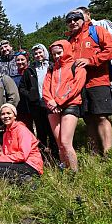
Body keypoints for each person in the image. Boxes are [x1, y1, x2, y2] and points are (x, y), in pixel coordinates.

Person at [66, 9, 112, 155]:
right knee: (88, 118)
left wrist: (90, 61)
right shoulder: (70, 41)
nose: (73, 22)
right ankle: (94, 152)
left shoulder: (96, 31)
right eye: (69, 21)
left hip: (98, 81)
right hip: (79, 85)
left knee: (101, 116)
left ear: (83, 19)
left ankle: (108, 153)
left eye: (76, 19)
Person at [42, 40, 87, 171]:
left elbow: (76, 87)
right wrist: (50, 101)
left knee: (67, 142)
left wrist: (59, 101)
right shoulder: (52, 69)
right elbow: (45, 88)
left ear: (66, 50)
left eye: (59, 53)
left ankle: (74, 172)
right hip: (53, 107)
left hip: (70, 105)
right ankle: (64, 170)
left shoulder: (77, 66)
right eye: (54, 54)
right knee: (60, 144)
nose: (56, 57)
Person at [77, 6, 112, 121]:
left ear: (88, 14)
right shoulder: (80, 35)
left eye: (80, 15)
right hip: (97, 74)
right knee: (101, 104)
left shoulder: (103, 24)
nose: (77, 19)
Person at [0, 104, 43, 181]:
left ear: (14, 116)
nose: (5, 116)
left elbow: (22, 156)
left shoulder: (22, 130)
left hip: (31, 165)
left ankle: (25, 181)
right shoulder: (6, 133)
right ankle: (23, 179)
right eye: (3, 114)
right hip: (18, 162)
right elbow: (7, 154)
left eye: (8, 113)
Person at [19, 44, 58, 158]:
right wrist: (31, 95)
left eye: (40, 52)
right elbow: (22, 87)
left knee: (53, 131)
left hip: (51, 104)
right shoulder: (30, 70)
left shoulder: (52, 66)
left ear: (45, 52)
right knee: (41, 132)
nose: (38, 55)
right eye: (36, 54)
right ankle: (42, 157)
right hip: (36, 105)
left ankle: (55, 156)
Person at [13, 52, 34, 131]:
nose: (20, 62)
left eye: (22, 60)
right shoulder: (14, 77)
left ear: (27, 60)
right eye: (18, 60)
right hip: (20, 106)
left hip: (32, 105)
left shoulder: (32, 73)